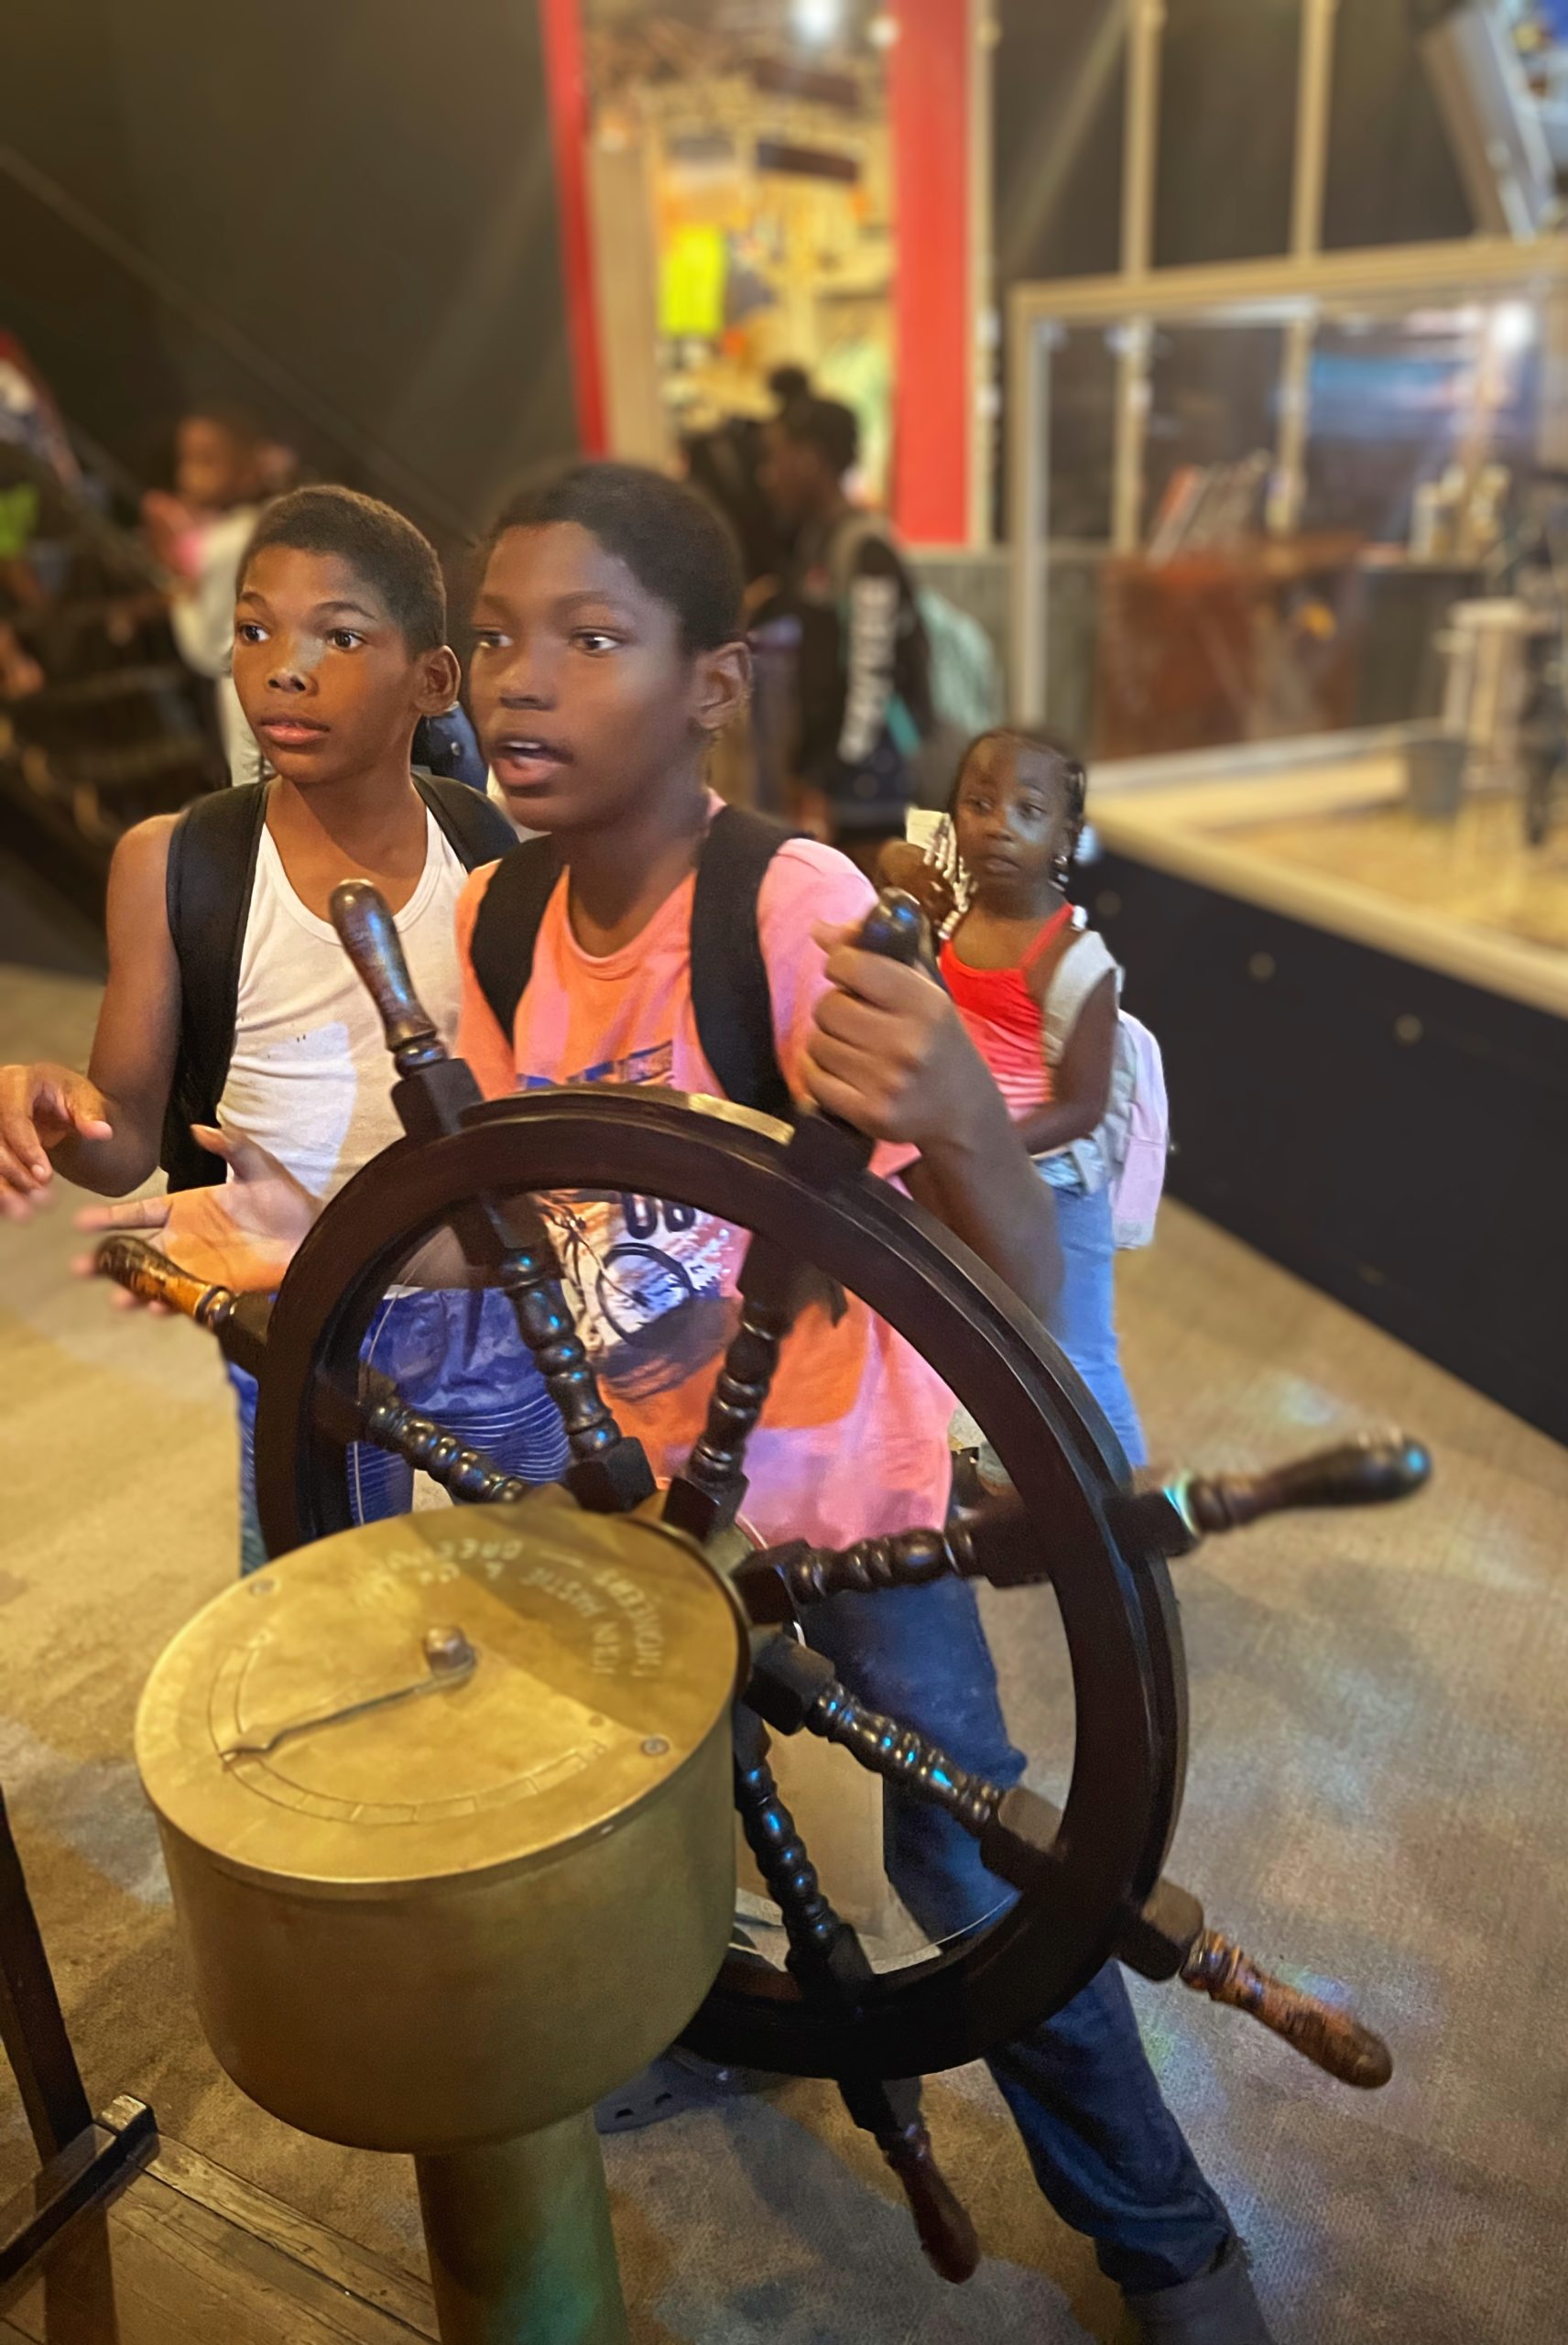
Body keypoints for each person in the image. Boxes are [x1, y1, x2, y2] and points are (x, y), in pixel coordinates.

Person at [75, 461, 1270, 2342]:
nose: (524, 683)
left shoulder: (792, 912)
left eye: (595, 639)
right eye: (500, 641)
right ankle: (693, 2009)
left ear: (714, 683)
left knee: (979, 1860)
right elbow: (489, 1219)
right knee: (650, 1791)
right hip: (631, 1494)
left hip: (852, 1497)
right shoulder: (493, 930)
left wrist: (958, 1104)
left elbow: (1017, 1318)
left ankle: (1166, 2231)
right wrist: (288, 1251)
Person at [0, 484, 561, 1568]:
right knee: (321, 1609)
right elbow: (119, 1144)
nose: (282, 666)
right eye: (255, 628)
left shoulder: (488, 850)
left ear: (432, 679)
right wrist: (58, 1105)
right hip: (293, 1306)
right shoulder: (175, 863)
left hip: (482, 1295)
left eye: (339, 635)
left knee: (555, 1582)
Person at [885, 729, 1147, 1469]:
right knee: (986, 1328)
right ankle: (1019, 1478)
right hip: (971, 1162)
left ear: (1068, 837)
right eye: (979, 804)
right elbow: (896, 855)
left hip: (1052, 1181)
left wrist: (984, 1139)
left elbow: (1084, 1106)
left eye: (1029, 811)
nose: (1000, 824)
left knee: (1077, 1348)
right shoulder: (955, 912)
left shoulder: (1072, 958)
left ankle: (1121, 1513)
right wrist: (898, 859)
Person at [758, 394, 934, 878]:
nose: (768, 473)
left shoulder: (864, 548)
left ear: (812, 458)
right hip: (835, 782)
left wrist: (832, 777)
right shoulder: (816, 540)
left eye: (778, 455)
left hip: (870, 793)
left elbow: (872, 678)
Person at [141, 403, 284, 786]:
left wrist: (179, 589)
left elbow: (207, 650)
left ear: (244, 467)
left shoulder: (227, 543)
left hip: (248, 688)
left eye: (206, 461)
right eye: (185, 460)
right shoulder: (277, 519)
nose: (189, 474)